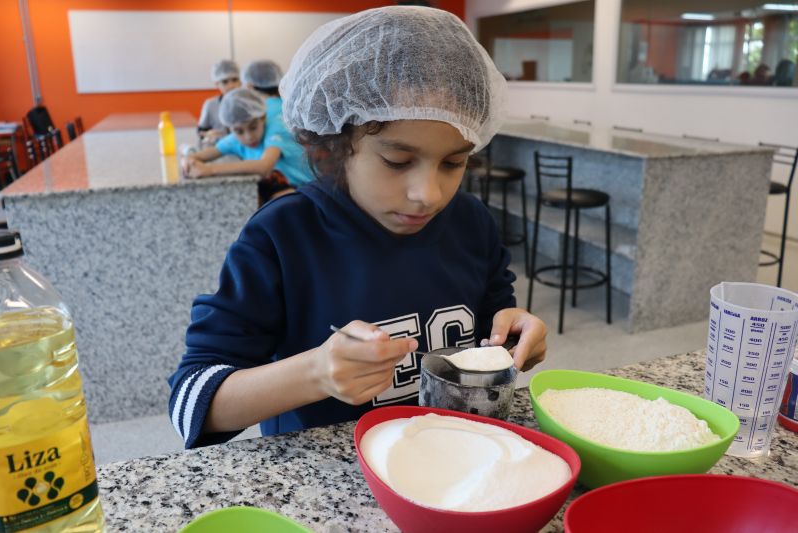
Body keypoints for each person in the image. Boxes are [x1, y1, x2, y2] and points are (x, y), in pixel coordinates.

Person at [168, 6, 548, 449]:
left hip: (449, 458)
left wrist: (513, 337)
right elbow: (190, 402)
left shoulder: (471, 223)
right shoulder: (283, 236)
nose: (428, 194)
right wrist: (314, 373)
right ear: (335, 144)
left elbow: (491, 327)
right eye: (397, 161)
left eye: (453, 162)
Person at [182, 87, 314, 203]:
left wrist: (209, 170)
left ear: (263, 118)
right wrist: (189, 160)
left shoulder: (275, 128)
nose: (248, 136)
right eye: (239, 131)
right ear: (230, 129)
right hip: (278, 188)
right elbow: (205, 154)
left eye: (253, 127)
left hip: (307, 189)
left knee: (280, 197)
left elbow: (264, 167)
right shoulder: (234, 138)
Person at [242, 60, 312, 203]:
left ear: (249, 86)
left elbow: (265, 166)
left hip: (293, 191)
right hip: (308, 184)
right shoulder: (288, 107)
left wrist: (208, 169)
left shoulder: (264, 113)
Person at [197, 60, 242, 144]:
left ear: (241, 81)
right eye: (225, 82)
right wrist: (208, 134)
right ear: (217, 84)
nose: (231, 85)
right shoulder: (211, 104)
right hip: (219, 147)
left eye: (235, 80)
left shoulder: (250, 103)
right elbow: (201, 131)